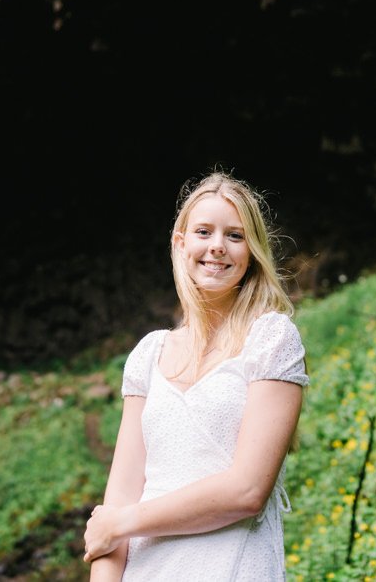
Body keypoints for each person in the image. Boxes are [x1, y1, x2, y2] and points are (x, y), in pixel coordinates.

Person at [83, 171, 309, 581]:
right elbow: (114, 508)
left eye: (235, 235)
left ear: (253, 251)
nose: (217, 246)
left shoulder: (272, 340)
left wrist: (122, 523)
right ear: (180, 243)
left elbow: (246, 491)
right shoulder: (148, 356)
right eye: (204, 231)